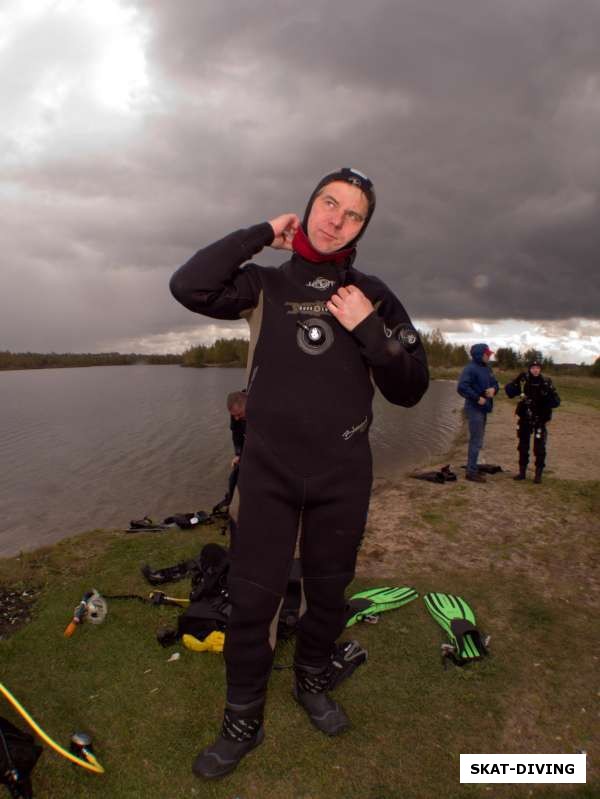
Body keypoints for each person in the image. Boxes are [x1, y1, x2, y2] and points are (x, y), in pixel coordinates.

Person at [170, 167, 429, 779]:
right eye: (328, 203)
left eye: (353, 214)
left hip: (343, 475)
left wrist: (369, 328)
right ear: (308, 206)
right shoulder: (263, 284)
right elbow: (189, 286)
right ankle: (241, 720)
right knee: (254, 600)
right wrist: (260, 232)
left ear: (364, 227)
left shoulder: (374, 293)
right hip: (268, 475)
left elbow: (412, 388)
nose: (336, 219)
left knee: (328, 593)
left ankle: (312, 682)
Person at [504, 359, 560, 483]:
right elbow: (509, 392)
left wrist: (547, 396)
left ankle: (538, 475)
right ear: (529, 369)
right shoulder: (524, 381)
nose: (535, 370)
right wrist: (514, 382)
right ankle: (522, 473)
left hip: (540, 419)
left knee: (539, 448)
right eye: (533, 367)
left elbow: (556, 402)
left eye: (538, 368)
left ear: (540, 369)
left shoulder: (546, 382)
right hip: (525, 418)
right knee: (523, 446)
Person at [457, 344, 499, 483]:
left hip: (484, 408)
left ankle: (473, 467)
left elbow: (495, 384)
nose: (489, 356)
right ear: (480, 355)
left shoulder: (487, 368)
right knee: (476, 441)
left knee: (478, 440)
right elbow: (462, 387)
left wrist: (494, 389)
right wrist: (477, 398)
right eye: (487, 354)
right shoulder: (470, 369)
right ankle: (471, 472)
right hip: (474, 409)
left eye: (489, 354)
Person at [213, 391, 247, 514]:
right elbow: (236, 435)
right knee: (234, 477)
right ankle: (230, 504)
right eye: (234, 415)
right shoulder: (236, 416)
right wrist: (238, 454)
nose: (236, 418)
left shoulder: (261, 409)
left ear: (248, 405)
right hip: (246, 445)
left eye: (239, 414)